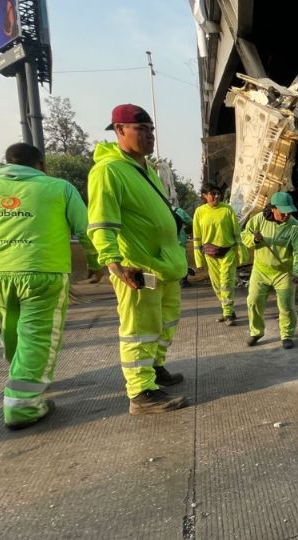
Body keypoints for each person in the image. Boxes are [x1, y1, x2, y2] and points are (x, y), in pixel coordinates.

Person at [0, 143, 100, 429]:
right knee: (37, 334)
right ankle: (23, 405)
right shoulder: (59, 187)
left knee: (12, 326)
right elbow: (86, 229)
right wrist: (96, 262)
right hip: (43, 272)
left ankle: (21, 376)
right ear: (41, 165)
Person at [88, 103, 188, 415]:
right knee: (139, 330)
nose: (149, 137)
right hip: (139, 267)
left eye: (151, 130)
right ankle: (141, 392)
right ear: (119, 131)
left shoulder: (145, 170)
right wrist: (114, 262)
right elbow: (101, 223)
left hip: (164, 266)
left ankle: (155, 369)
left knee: (163, 324)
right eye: (141, 130)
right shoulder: (108, 171)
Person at [241, 192, 298, 348]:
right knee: (253, 301)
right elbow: (244, 235)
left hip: (284, 273)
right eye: (282, 212)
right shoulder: (258, 219)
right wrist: (254, 239)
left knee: (286, 306)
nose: (286, 215)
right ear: (273, 208)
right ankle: (256, 332)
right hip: (260, 270)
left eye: (288, 212)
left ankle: (287, 334)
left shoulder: (296, 227)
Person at [192, 183, 248, 326]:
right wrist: (198, 261)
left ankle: (228, 313)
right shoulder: (199, 212)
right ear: (205, 196)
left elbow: (237, 233)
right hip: (210, 254)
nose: (216, 196)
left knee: (226, 283)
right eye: (213, 193)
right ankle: (227, 309)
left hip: (227, 252)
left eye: (218, 193)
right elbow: (197, 237)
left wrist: (241, 253)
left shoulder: (227, 210)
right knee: (217, 286)